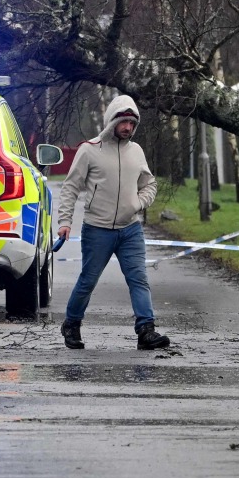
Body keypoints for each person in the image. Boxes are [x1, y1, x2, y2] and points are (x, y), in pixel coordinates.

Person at [55, 94, 170, 351]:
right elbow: (71, 187)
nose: (128, 127)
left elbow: (149, 184)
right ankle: (72, 324)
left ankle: (146, 331)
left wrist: (138, 204)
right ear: (111, 122)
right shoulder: (89, 150)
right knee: (88, 280)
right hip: (97, 229)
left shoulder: (136, 151)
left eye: (132, 123)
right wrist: (64, 221)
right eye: (123, 122)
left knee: (138, 278)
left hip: (130, 230)